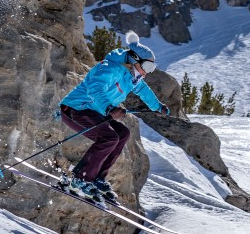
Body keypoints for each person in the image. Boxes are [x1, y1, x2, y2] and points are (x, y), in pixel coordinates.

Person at [58, 30, 169, 204]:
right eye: (147, 67)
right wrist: (110, 108)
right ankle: (81, 179)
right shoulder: (110, 68)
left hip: (94, 112)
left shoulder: (131, 77)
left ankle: (96, 178)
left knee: (122, 134)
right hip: (76, 109)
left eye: (152, 68)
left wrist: (158, 107)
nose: (148, 72)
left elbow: (143, 90)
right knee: (108, 138)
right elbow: (94, 88)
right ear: (134, 59)